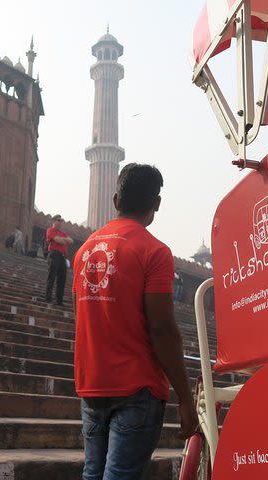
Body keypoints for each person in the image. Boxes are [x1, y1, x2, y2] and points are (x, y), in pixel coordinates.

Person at [72, 163, 198, 480]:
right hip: (136, 385)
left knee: (93, 472)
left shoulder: (84, 251)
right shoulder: (153, 251)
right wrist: (185, 397)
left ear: (116, 200)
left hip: (92, 383)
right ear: (156, 204)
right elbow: (162, 329)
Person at [45, 214, 73, 305]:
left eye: (61, 221)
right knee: (51, 276)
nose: (60, 223)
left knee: (62, 279)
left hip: (62, 257)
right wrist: (64, 240)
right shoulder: (50, 230)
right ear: (53, 221)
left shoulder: (62, 233)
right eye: (59, 220)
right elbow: (58, 240)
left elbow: (71, 241)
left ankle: (59, 300)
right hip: (54, 254)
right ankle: (48, 297)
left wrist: (62, 239)